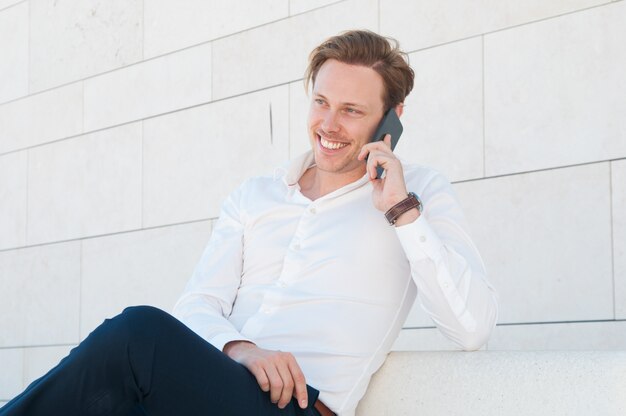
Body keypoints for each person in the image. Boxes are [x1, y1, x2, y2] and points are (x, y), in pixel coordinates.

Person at [0, 30, 497, 416]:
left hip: (301, 406)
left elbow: (471, 327)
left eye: (351, 111)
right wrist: (240, 348)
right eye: (321, 102)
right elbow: (197, 304)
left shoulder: (417, 195)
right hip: (218, 386)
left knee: (139, 333)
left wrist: (400, 211)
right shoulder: (255, 196)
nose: (329, 124)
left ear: (392, 118)